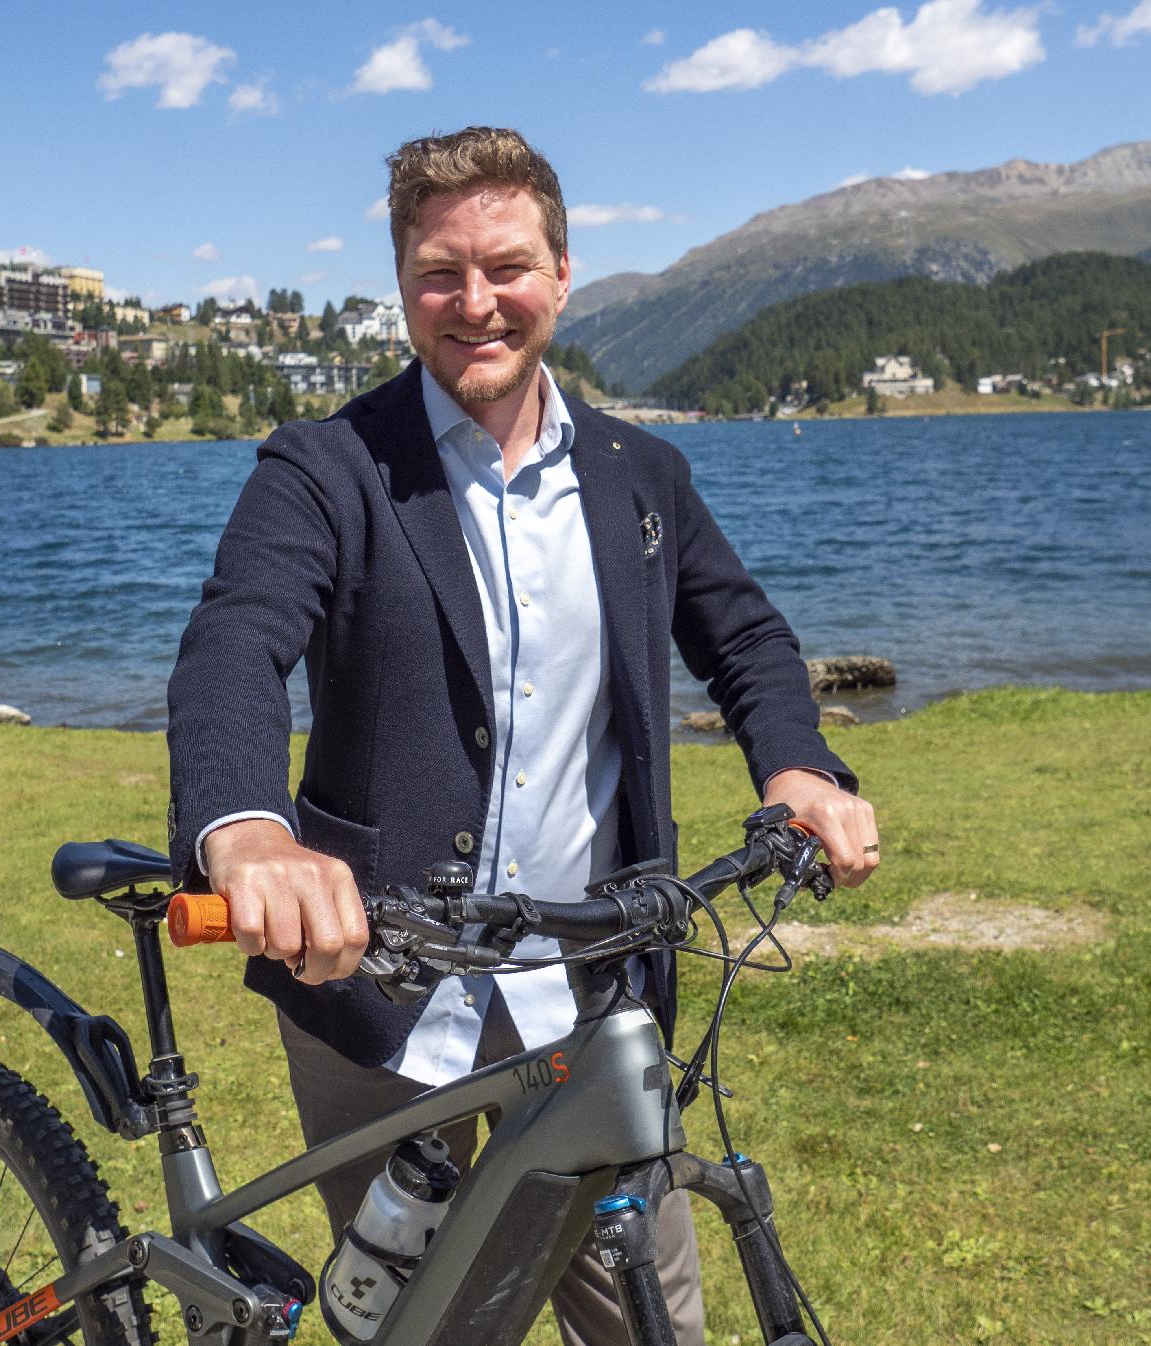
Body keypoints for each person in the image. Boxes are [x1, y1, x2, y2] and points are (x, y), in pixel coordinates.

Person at [167, 126, 879, 1346]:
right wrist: (250, 832)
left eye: (506, 267)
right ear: (402, 284)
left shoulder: (642, 473)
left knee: (654, 1319)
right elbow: (236, 640)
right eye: (440, 273)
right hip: (380, 988)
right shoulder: (327, 467)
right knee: (423, 1326)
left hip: (595, 983)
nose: (476, 302)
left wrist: (798, 766)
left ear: (561, 273)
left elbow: (747, 638)